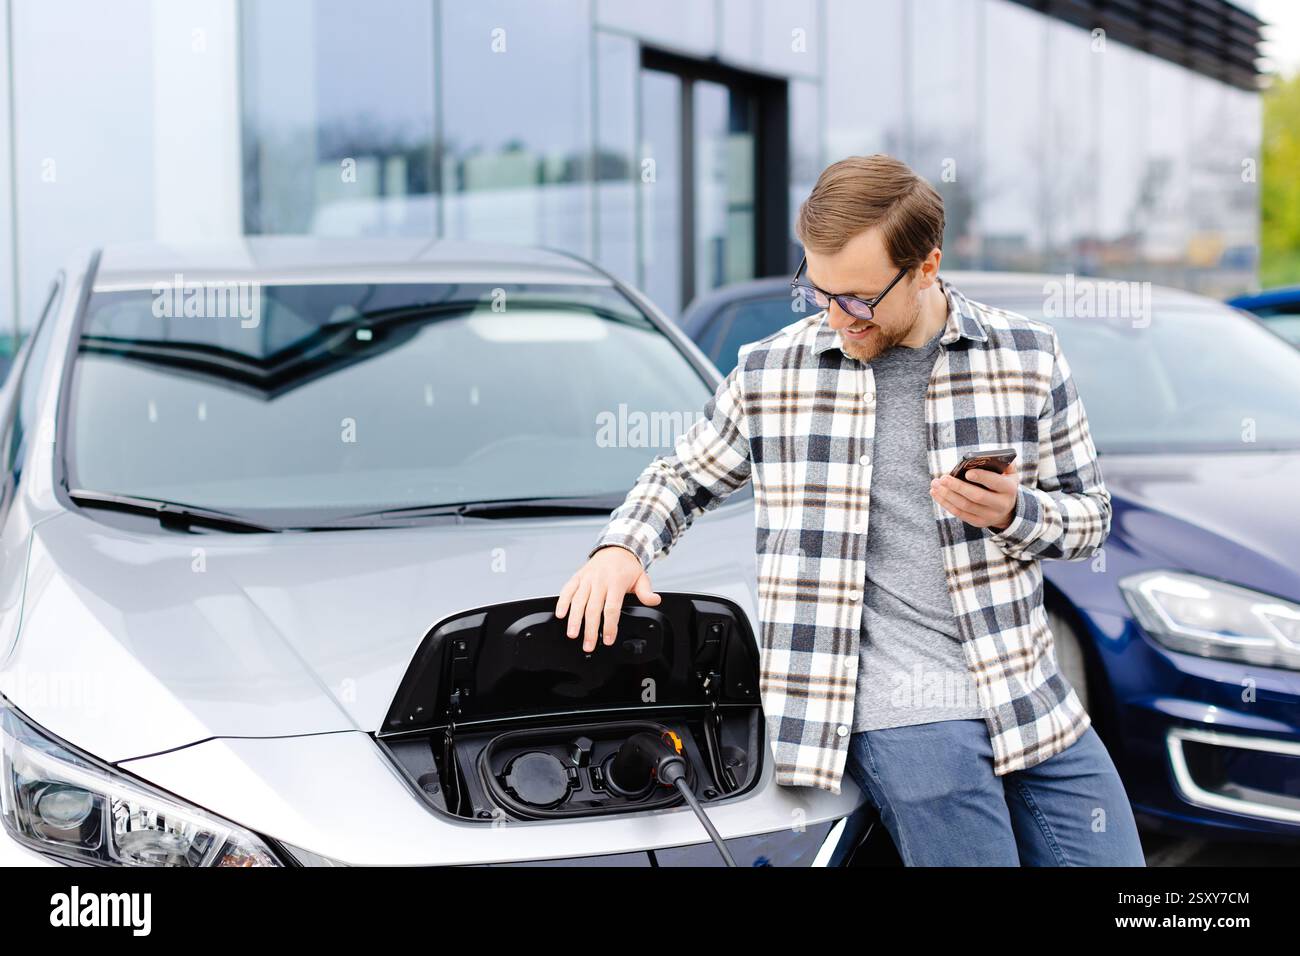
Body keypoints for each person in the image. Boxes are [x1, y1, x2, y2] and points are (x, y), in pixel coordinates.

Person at [556, 154, 1145, 866]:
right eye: (820, 290)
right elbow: (681, 476)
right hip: (894, 706)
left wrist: (1016, 511)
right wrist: (621, 549)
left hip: (1023, 689)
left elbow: (1092, 519)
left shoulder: (1027, 357)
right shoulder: (774, 371)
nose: (837, 316)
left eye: (859, 298)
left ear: (927, 266)